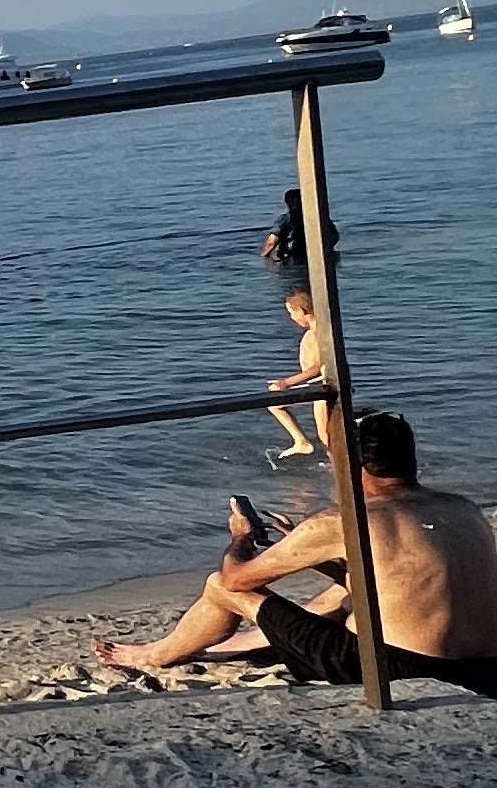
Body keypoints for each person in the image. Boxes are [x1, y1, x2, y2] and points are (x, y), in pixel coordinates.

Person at [97, 413, 497, 691]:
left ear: (352, 465)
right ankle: (235, 646)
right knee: (344, 594)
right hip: (482, 669)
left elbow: (237, 578)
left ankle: (152, 655)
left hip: (399, 669)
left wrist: (241, 538)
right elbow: (401, 577)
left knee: (219, 586)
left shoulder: (344, 522)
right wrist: (316, 555)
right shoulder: (463, 508)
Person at [269, 287, 324, 461]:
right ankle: (301, 441)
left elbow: (316, 368)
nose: (291, 318)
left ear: (302, 310)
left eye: (291, 313)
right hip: (317, 385)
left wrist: (286, 383)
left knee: (327, 437)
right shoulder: (320, 330)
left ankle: (302, 442)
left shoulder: (315, 334)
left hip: (321, 387)